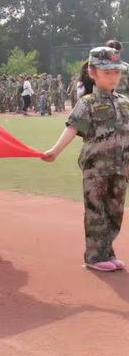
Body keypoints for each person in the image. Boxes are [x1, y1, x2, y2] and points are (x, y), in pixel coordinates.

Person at [42, 47, 129, 272]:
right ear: (92, 73)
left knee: (115, 212)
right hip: (96, 168)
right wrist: (55, 150)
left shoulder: (124, 102)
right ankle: (94, 256)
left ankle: (106, 251)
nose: (113, 77)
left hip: (121, 168)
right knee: (96, 211)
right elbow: (73, 128)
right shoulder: (87, 102)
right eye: (107, 72)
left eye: (116, 72)